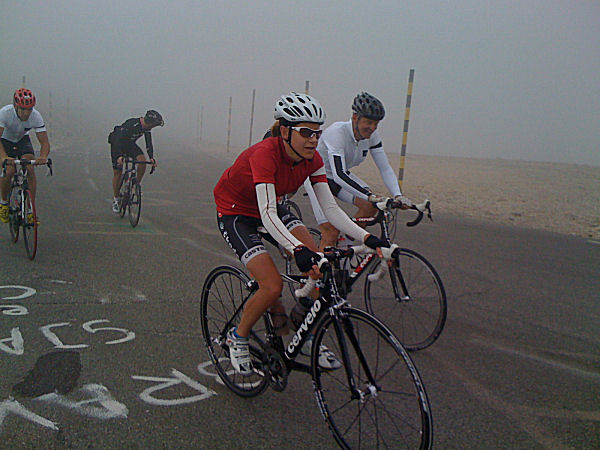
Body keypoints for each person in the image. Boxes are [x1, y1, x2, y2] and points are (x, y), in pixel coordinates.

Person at [213, 92, 390, 376]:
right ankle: (238, 335)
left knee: (320, 268)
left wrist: (368, 239)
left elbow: (331, 210)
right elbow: (268, 214)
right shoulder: (265, 154)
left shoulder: (312, 159)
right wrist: (298, 251)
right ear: (285, 131)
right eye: (306, 132)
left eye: (317, 133)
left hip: (273, 206)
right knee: (271, 286)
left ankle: (305, 336)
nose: (313, 139)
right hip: (238, 213)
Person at [304, 92, 411, 249]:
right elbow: (339, 174)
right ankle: (316, 273)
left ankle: (346, 246)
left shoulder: (372, 136)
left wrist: (397, 195)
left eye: (376, 124)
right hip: (316, 177)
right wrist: (370, 196)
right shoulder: (337, 133)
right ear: (355, 117)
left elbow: (385, 168)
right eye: (368, 122)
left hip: (336, 177)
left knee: (370, 206)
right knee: (331, 232)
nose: (372, 128)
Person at [0, 88, 50, 223]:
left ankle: (30, 210)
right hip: (4, 141)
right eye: (23, 109)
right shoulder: (5, 113)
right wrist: (4, 157)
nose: (27, 113)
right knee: (9, 170)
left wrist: (43, 157)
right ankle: (3, 203)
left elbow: (44, 142)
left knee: (29, 168)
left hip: (22, 140)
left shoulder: (36, 116)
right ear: (16, 106)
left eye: (30, 109)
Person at [109, 110, 163, 213]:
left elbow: (149, 143)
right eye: (154, 125)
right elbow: (118, 140)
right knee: (118, 172)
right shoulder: (132, 124)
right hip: (117, 143)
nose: (153, 127)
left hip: (129, 144)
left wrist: (151, 158)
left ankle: (135, 185)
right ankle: (116, 200)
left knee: (142, 161)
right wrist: (119, 157)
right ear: (149, 122)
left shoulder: (147, 128)